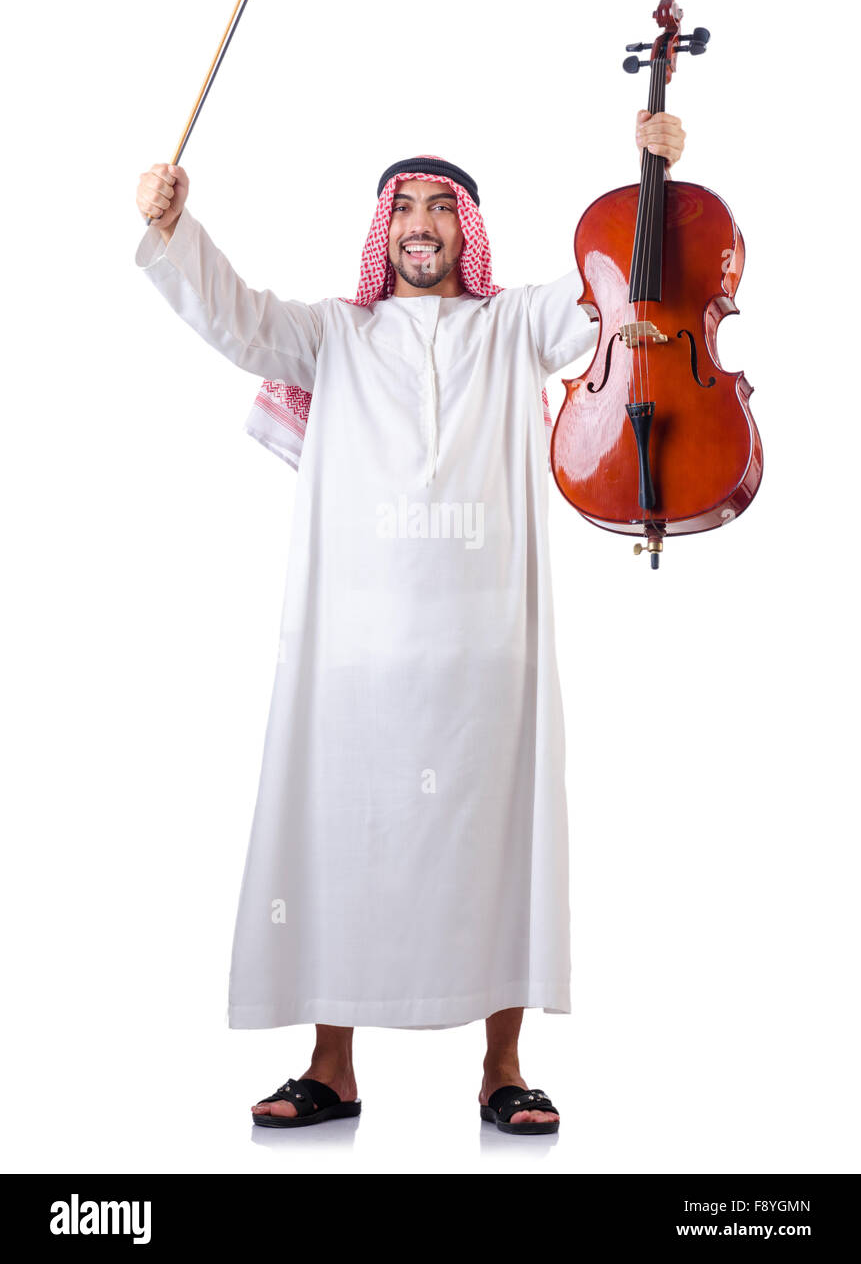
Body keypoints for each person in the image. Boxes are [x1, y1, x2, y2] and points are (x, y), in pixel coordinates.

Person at [134, 109, 686, 1135]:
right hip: (356, 659)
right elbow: (233, 315)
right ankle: (330, 1067)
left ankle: (504, 1067)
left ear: (466, 230)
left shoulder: (515, 324)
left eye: (442, 207)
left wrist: (648, 172)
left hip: (489, 658)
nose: (422, 224)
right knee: (342, 841)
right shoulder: (334, 335)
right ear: (382, 231)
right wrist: (174, 229)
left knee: (501, 847)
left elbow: (618, 296)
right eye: (407, 209)